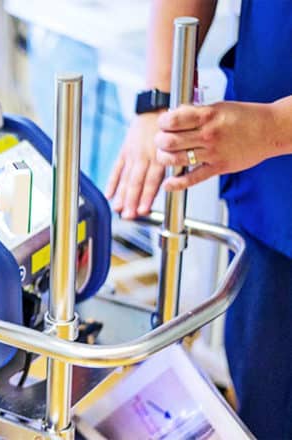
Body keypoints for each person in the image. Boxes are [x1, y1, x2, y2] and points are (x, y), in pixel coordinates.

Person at [104, 1, 292, 437]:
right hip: (270, 211)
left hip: (263, 148)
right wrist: (159, 98)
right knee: (265, 411)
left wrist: (272, 128)